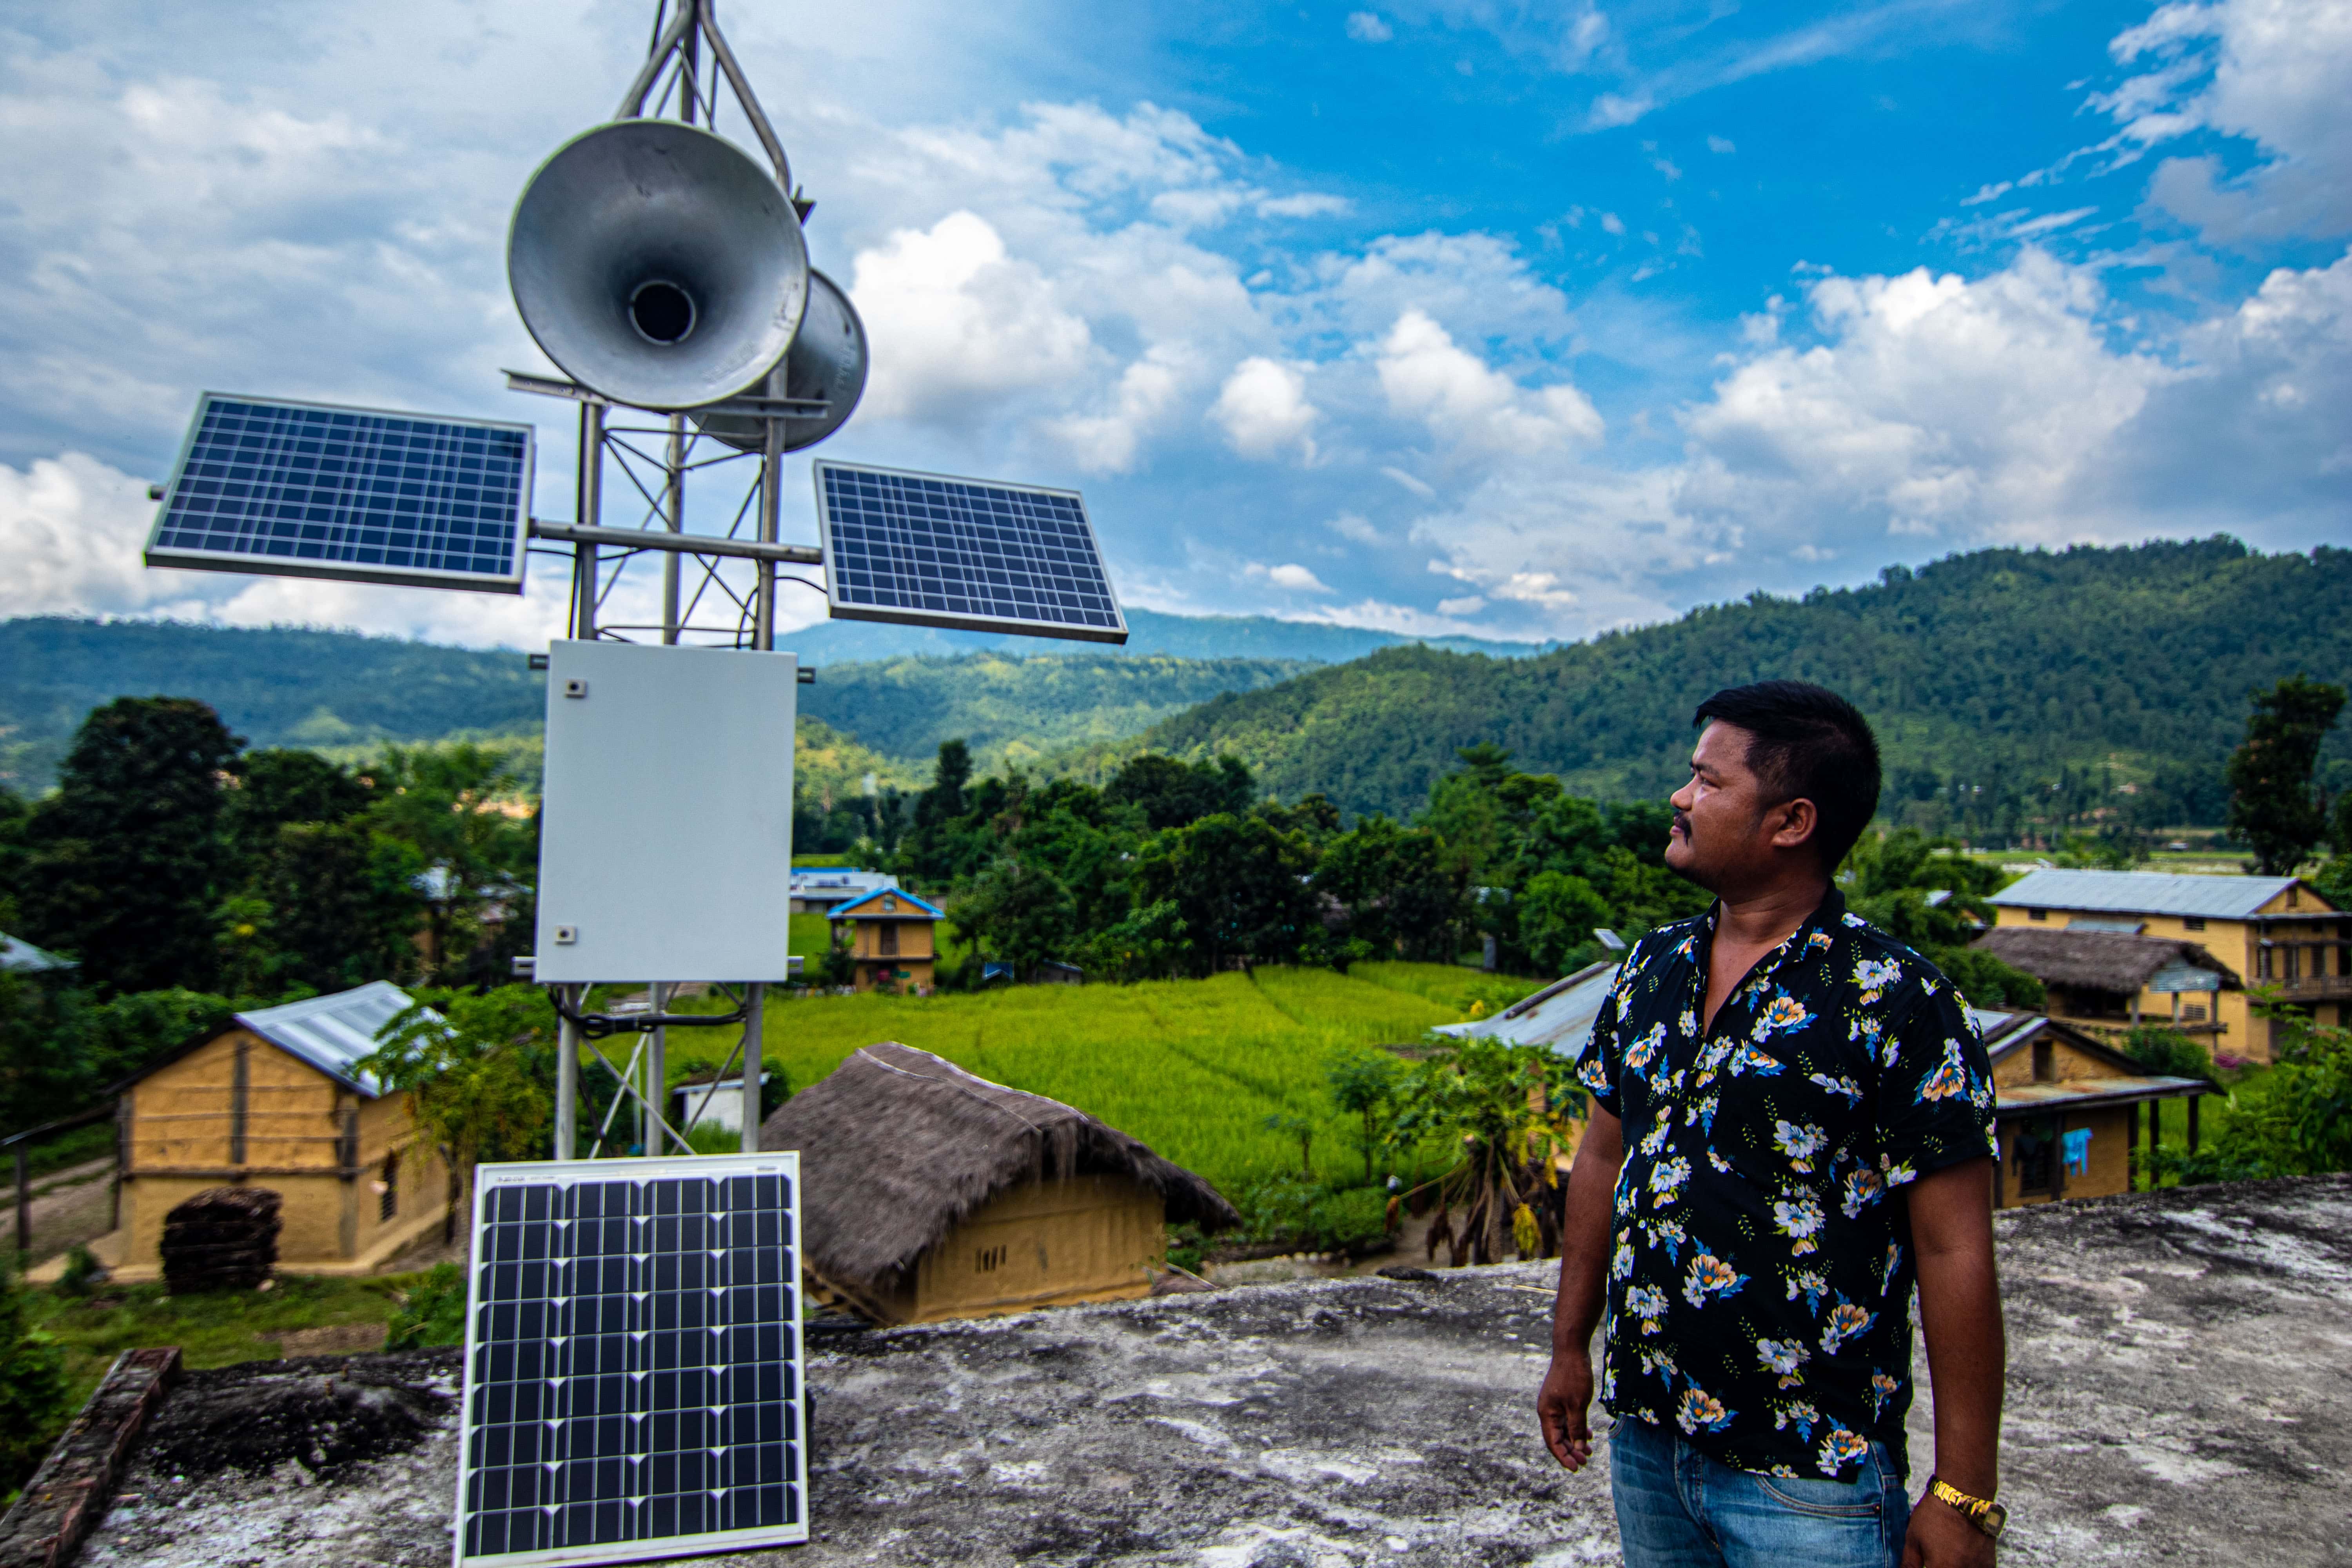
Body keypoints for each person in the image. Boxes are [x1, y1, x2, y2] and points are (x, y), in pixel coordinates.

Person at [1535, 681, 2005, 1568]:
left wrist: (1963, 1494)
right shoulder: (1652, 965)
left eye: (1708, 782)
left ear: (1791, 822)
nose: (1681, 796)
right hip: (1650, 1439)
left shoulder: (1899, 1001)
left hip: (1811, 1474)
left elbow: (1956, 1251)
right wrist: (1569, 1345)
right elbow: (1602, 1158)